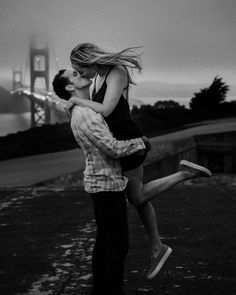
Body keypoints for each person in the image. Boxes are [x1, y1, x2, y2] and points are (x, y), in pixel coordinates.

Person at [68, 43, 212, 280]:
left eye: (82, 70)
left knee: (137, 197)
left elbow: (105, 110)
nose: (82, 75)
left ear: (91, 60)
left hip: (127, 142)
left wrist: (76, 101)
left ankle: (184, 176)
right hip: (120, 140)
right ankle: (157, 246)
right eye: (78, 73)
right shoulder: (98, 76)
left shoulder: (116, 71)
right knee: (138, 197)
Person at [52, 69, 149, 295]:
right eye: (75, 74)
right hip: (106, 185)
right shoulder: (85, 113)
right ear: (69, 87)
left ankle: (101, 290)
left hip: (99, 184)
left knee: (105, 243)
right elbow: (112, 148)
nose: (81, 73)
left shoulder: (82, 109)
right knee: (117, 245)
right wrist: (141, 143)